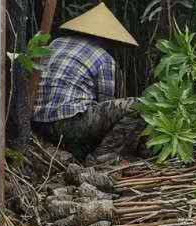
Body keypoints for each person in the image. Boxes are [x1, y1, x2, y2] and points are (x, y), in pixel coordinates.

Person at [32, 3, 141, 159]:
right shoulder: (103, 57)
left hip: (37, 122)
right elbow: (106, 103)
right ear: (107, 38)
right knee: (140, 107)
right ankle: (103, 157)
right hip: (71, 124)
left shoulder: (55, 43)